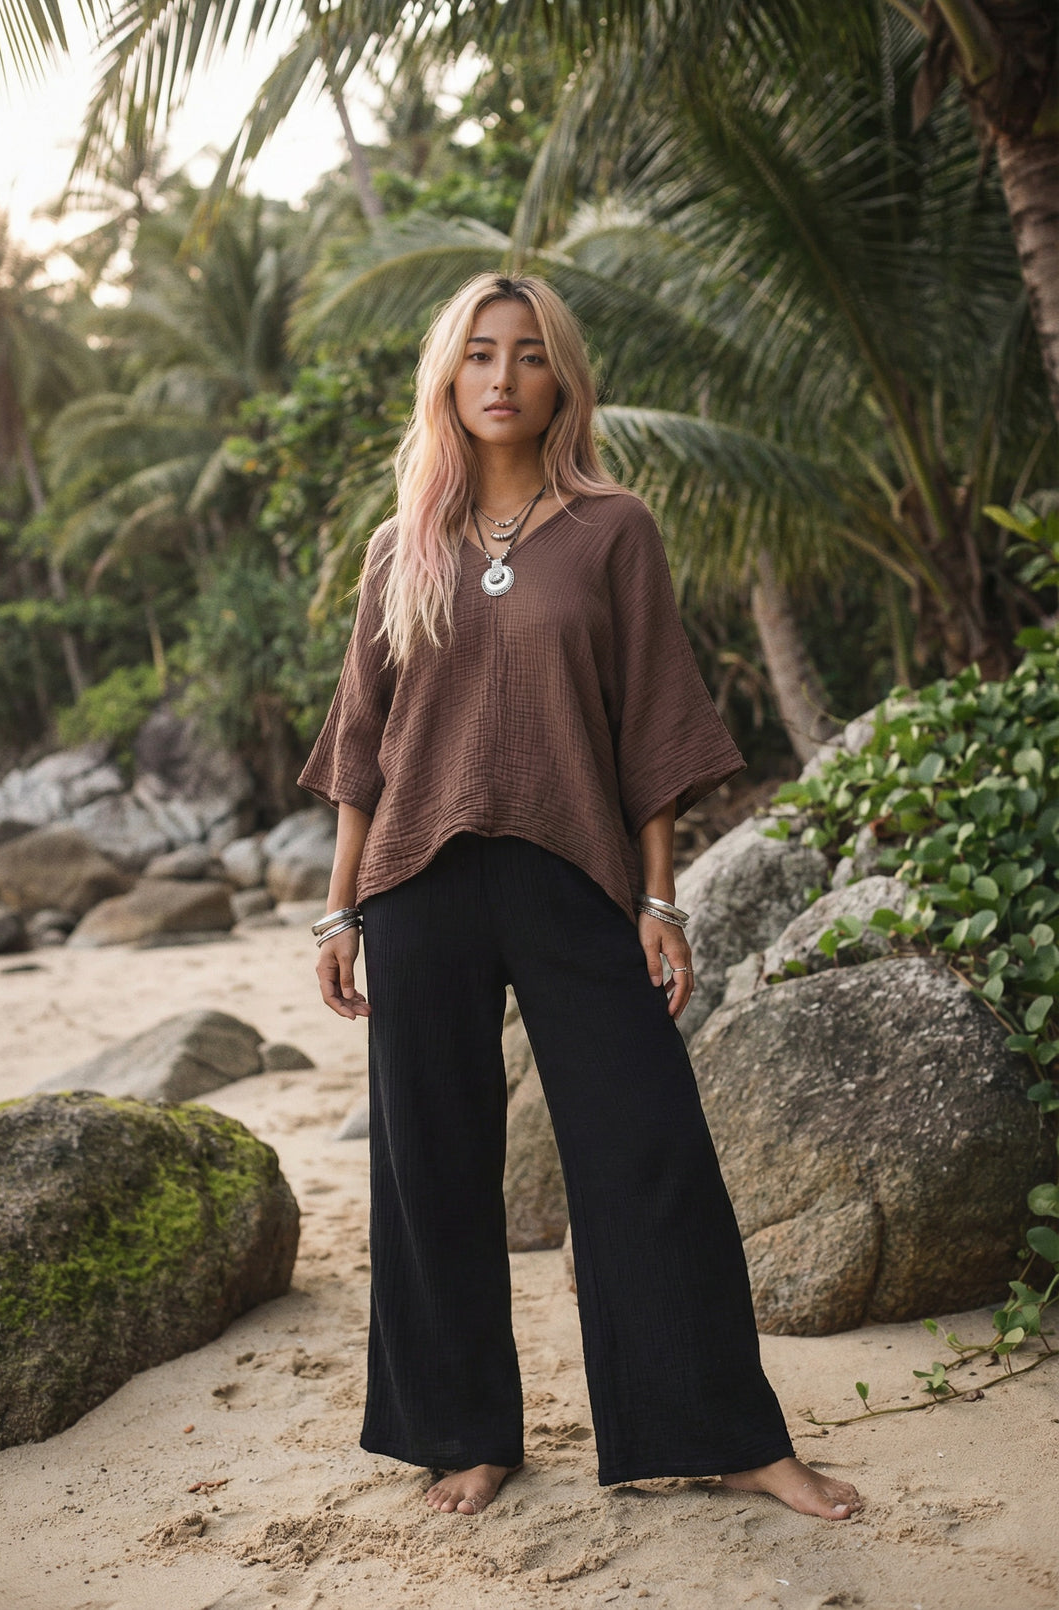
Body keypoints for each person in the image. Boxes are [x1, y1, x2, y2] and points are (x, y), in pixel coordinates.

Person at [298, 273, 862, 1524]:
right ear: (448, 378)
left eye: (529, 354)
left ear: (562, 379)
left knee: (649, 1145)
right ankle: (464, 1431)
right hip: (417, 880)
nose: (502, 375)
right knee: (430, 1163)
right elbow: (363, 744)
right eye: (479, 354)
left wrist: (660, 900)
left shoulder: (614, 527)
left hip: (572, 872)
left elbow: (653, 717)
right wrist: (339, 913)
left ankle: (725, 1432)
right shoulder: (402, 545)